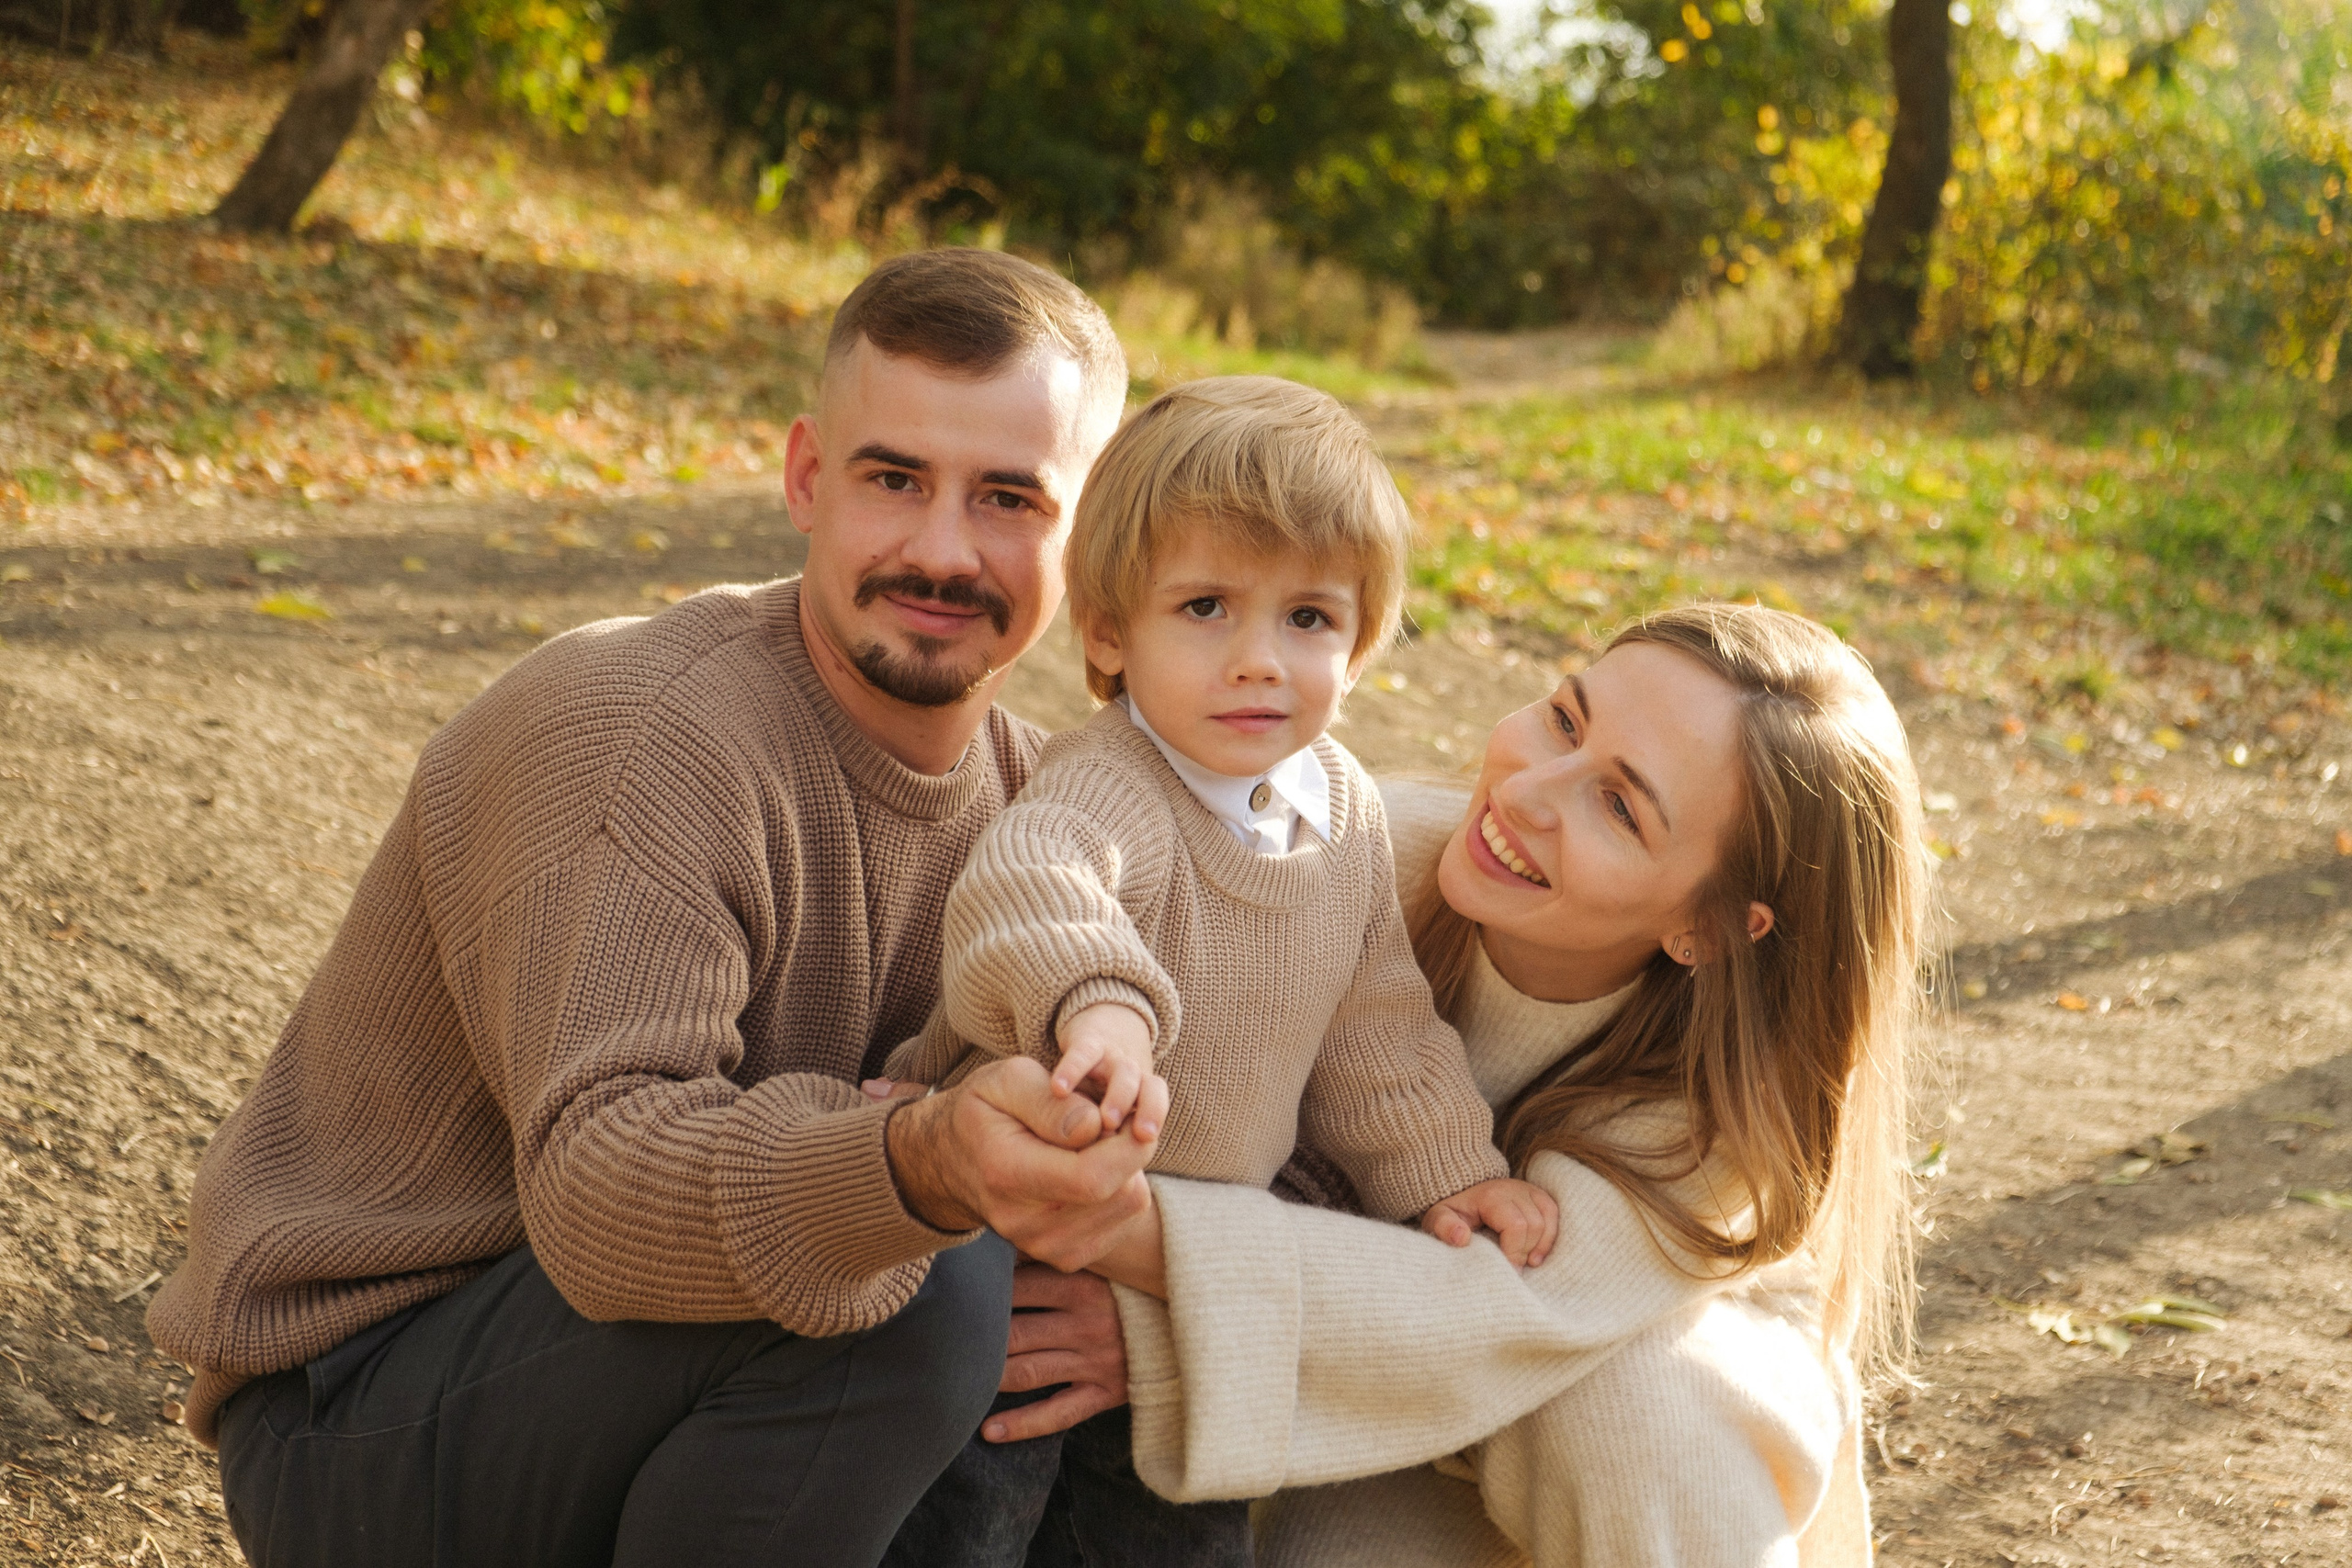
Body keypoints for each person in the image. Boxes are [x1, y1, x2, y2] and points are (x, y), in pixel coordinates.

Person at [146, 248, 1169, 1568]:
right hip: (373, 1402)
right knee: (925, 1277)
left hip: (685, 1403)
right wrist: (917, 1159)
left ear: (1087, 535)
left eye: (1011, 497)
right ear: (807, 475)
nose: (941, 547)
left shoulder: (1042, 804)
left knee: (1058, 1309)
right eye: (893, 477)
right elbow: (600, 1199)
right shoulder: (637, 729)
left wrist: (1136, 1307)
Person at [925, 602, 1925, 1567]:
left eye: (1618, 804)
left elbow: (1491, 1314)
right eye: (1563, 717)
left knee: (1642, 1410)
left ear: (1707, 926)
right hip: (1371, 1371)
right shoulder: (1347, 857)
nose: (1530, 788)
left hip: (1612, 1396)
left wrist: (1137, 1267)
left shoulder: (1721, 1120)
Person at [881, 378, 1558, 1568]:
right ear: (1108, 632)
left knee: (1175, 1527)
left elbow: (1376, 1030)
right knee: (971, 1515)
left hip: (1181, 1258)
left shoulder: (1339, 812)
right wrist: (1103, 1005)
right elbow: (1032, 888)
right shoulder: (1114, 783)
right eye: (1206, 607)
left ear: (1364, 638)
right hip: (1009, 1232)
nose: (1261, 661)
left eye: (1310, 618)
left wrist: (1448, 1172)